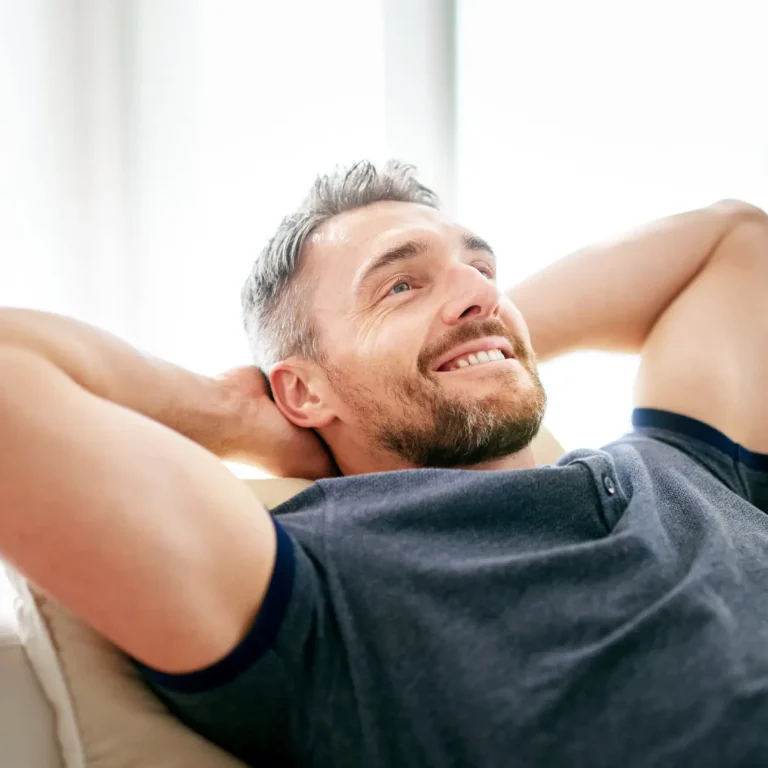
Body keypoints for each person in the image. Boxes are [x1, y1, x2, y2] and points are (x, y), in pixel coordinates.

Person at [1, 160, 767, 768]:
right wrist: (238, 415)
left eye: (483, 270)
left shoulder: (685, 463)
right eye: (400, 283)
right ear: (301, 389)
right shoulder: (316, 585)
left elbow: (737, 239)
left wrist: (479, 336)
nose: (478, 290)